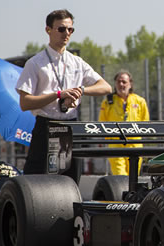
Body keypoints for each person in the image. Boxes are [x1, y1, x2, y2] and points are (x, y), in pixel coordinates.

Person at [16, 9, 112, 183]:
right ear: (48, 30)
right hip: (46, 126)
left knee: (71, 181)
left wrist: (81, 90)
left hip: (71, 127)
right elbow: (25, 103)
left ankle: (72, 210)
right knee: (35, 181)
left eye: (70, 30)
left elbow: (105, 87)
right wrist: (58, 94)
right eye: (61, 29)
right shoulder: (35, 63)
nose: (66, 33)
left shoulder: (76, 61)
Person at [98, 71, 150, 175]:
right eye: (118, 82)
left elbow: (146, 123)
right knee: (120, 174)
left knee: (134, 174)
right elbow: (102, 122)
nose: (121, 84)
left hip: (135, 144)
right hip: (115, 144)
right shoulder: (108, 102)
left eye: (124, 82)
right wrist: (104, 139)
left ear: (130, 84)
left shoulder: (140, 101)